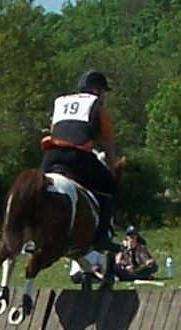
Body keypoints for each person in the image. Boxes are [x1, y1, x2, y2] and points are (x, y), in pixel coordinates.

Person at [40, 69, 122, 252]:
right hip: (77, 155)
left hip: (51, 153)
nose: (103, 96)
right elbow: (108, 146)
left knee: (38, 189)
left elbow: (55, 129)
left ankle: (29, 233)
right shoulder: (97, 106)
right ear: (97, 90)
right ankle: (102, 238)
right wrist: (111, 171)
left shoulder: (61, 102)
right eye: (103, 91)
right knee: (110, 189)